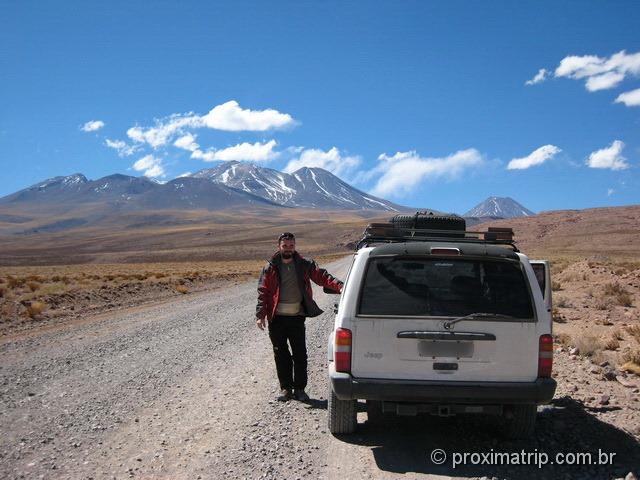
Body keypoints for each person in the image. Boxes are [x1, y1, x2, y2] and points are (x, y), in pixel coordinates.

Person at [256, 232, 343, 402]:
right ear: (279, 247)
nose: (288, 248)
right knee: (280, 354)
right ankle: (286, 389)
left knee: (300, 354)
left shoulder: (304, 264)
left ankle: (300, 389)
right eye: (285, 246)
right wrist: (260, 315)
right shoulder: (270, 267)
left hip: (296, 317)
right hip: (277, 319)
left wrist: (340, 287)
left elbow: (322, 277)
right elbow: (263, 292)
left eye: (291, 245)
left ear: (295, 246)